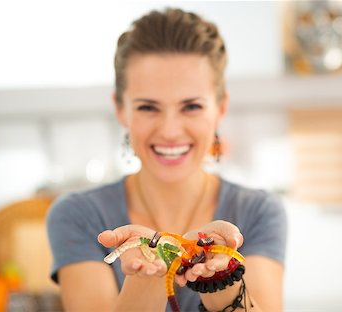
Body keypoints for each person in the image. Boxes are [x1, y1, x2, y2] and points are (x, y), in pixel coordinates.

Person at [47, 7, 287, 312]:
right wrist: (147, 275)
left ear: (220, 109)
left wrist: (221, 277)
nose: (170, 131)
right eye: (148, 107)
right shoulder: (77, 215)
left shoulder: (258, 212)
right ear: (121, 109)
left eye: (191, 107)